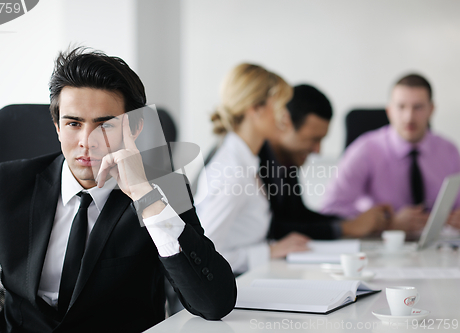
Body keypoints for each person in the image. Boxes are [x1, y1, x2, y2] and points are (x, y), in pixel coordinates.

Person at [0, 47, 236, 333]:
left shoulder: (164, 187)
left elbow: (213, 303)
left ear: (135, 128)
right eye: (73, 123)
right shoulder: (8, 183)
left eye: (104, 125)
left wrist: (145, 196)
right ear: (56, 125)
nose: (86, 141)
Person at [194, 63, 309, 275]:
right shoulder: (233, 172)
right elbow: (202, 255)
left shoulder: (246, 160)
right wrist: (268, 251)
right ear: (256, 108)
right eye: (282, 105)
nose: (287, 116)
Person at [321, 74, 460, 237]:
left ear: (431, 110)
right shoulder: (365, 150)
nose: (409, 117)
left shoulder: (449, 151)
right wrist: (387, 223)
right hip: (382, 245)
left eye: (418, 107)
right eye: (401, 107)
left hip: (437, 247)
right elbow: (329, 209)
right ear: (390, 111)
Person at [260, 84, 390, 240]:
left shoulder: (288, 160)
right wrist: (346, 228)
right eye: (314, 139)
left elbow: (299, 216)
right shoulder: (256, 161)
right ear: (285, 122)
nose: (318, 150)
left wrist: (353, 222)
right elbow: (270, 228)